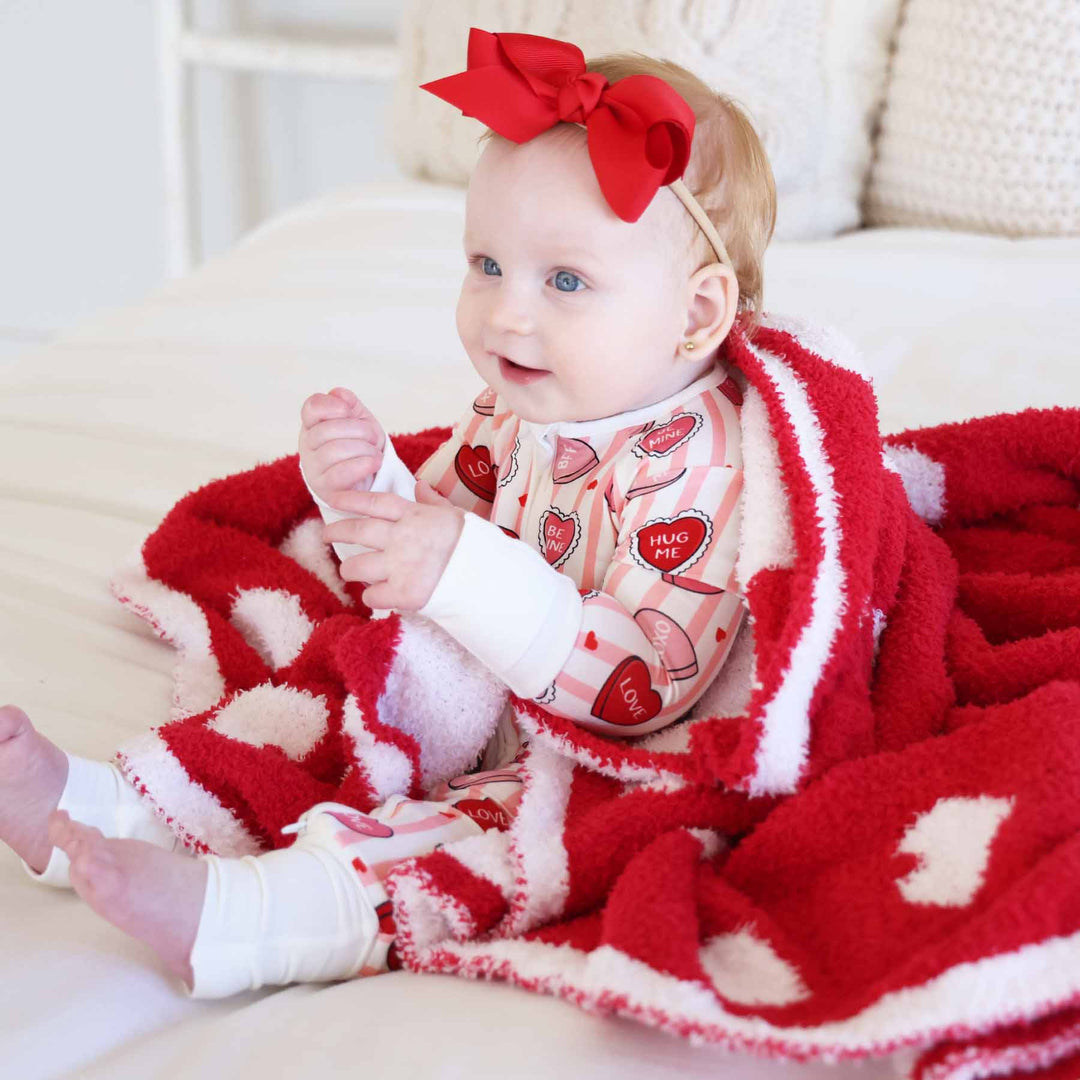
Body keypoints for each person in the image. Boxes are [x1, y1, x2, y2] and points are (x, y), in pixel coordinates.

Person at [0, 30, 776, 997]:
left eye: (564, 280)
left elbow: (646, 685)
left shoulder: (704, 467)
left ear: (697, 317)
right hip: (499, 696)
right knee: (322, 707)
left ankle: (244, 920)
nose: (505, 315)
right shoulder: (532, 398)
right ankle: (105, 809)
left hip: (615, 753)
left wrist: (462, 571)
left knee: (467, 848)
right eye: (486, 265)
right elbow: (441, 526)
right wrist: (370, 489)